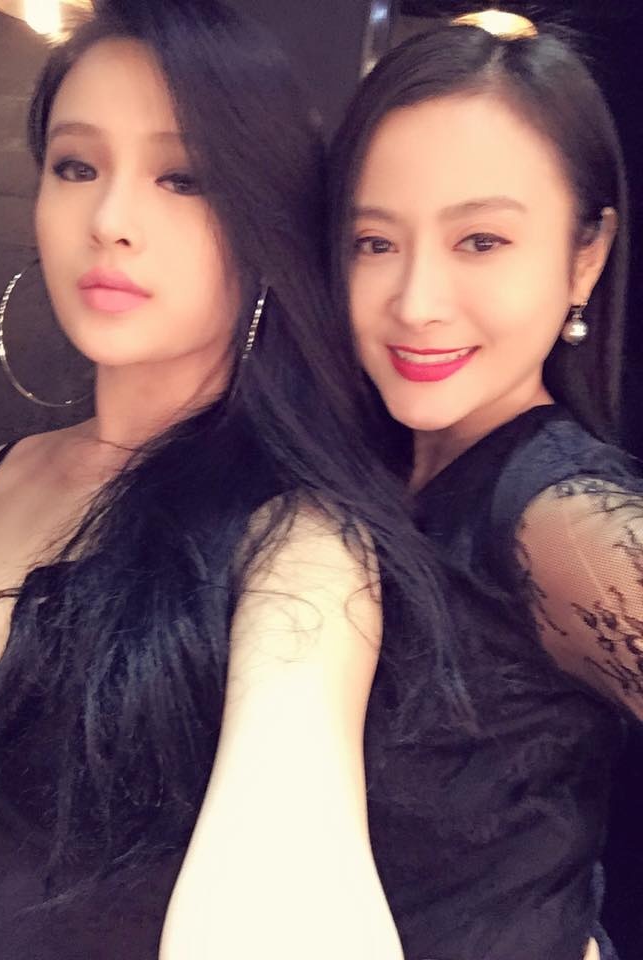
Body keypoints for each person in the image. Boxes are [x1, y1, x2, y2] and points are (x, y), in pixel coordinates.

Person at [0, 2, 451, 957]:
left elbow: (292, 854)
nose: (110, 221)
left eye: (183, 178)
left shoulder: (298, 543)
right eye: (75, 166)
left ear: (261, 223)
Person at [328, 13, 641, 960]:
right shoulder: (351, 466)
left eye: (481, 241)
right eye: (374, 242)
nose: (417, 301)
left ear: (586, 256)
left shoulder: (561, 518)